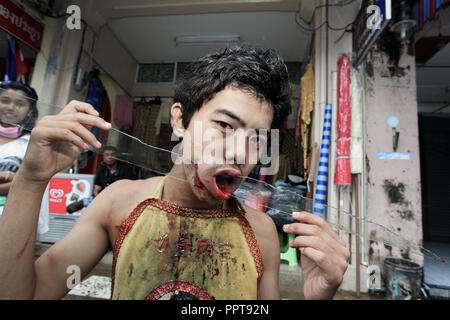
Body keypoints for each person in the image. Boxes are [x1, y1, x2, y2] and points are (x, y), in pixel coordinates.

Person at [0, 45, 350, 300]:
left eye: (258, 139)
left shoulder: (260, 233)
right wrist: (31, 181)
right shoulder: (118, 202)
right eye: (225, 125)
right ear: (180, 120)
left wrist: (318, 297)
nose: (241, 153)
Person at [0, 81, 48, 235]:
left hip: (11, 224)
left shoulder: (34, 144)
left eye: (20, 104)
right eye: (5, 101)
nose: (10, 107)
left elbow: (32, 183)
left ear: (29, 111)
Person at [66, 145, 135, 213]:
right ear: (103, 157)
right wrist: (99, 201)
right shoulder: (102, 169)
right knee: (73, 207)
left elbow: (130, 188)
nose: (110, 157)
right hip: (102, 198)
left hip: (119, 198)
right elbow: (96, 190)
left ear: (117, 156)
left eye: (112, 155)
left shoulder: (125, 169)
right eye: (107, 155)